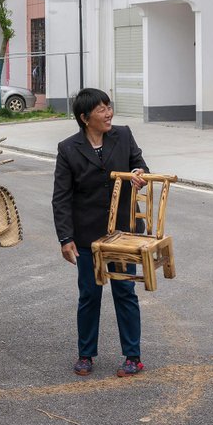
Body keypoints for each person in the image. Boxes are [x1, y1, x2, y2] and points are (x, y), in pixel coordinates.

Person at [51, 87, 148, 377]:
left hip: (122, 232)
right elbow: (62, 197)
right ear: (85, 117)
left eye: (109, 107)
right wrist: (65, 238)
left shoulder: (124, 135)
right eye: (102, 109)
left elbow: (139, 164)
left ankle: (133, 356)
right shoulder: (68, 148)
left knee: (125, 290)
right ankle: (86, 354)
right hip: (87, 235)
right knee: (90, 294)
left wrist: (139, 175)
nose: (109, 113)